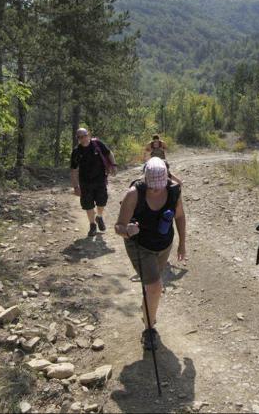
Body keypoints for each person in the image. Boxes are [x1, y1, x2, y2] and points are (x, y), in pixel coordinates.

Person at [115, 157, 187, 350]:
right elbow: (119, 226)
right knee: (155, 286)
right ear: (145, 180)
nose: (155, 190)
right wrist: (127, 230)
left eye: (159, 186)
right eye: (151, 186)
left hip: (163, 245)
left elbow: (179, 216)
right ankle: (149, 329)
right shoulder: (134, 194)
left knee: (151, 287)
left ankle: (147, 308)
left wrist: (182, 244)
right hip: (140, 245)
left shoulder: (173, 191)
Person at [70, 128, 117, 237]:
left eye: (84, 135)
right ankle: (92, 225)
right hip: (85, 182)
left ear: (89, 135)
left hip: (100, 179)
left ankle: (99, 217)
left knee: (102, 201)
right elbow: (73, 170)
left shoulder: (97, 144)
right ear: (77, 139)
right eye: (80, 137)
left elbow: (109, 153)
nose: (83, 139)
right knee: (88, 204)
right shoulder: (76, 152)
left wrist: (114, 165)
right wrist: (75, 187)